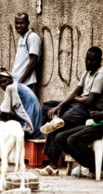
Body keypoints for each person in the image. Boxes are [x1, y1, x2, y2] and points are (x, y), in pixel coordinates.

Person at [35, 46, 103, 175]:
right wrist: (59, 106)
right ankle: (55, 118)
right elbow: (76, 92)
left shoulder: (100, 75)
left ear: (100, 60)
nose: (89, 62)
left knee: (59, 127)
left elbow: (89, 101)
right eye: (87, 59)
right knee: (48, 106)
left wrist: (77, 99)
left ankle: (53, 165)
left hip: (88, 109)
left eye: (92, 60)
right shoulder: (87, 72)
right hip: (79, 104)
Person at [0, 66, 44, 139]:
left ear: (11, 79)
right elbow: (3, 108)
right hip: (36, 128)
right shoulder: (18, 86)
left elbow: (4, 112)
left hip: (29, 128)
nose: (2, 85)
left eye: (4, 81)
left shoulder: (11, 88)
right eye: (0, 83)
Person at [55, 111, 103, 178]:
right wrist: (97, 117)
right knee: (60, 138)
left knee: (72, 140)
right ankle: (91, 165)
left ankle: (97, 166)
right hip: (95, 125)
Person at [11, 12, 42, 91]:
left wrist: (20, 82)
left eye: (21, 23)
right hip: (17, 82)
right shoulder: (21, 39)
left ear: (28, 23)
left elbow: (33, 62)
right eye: (17, 23)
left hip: (25, 83)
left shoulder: (32, 37)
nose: (18, 26)